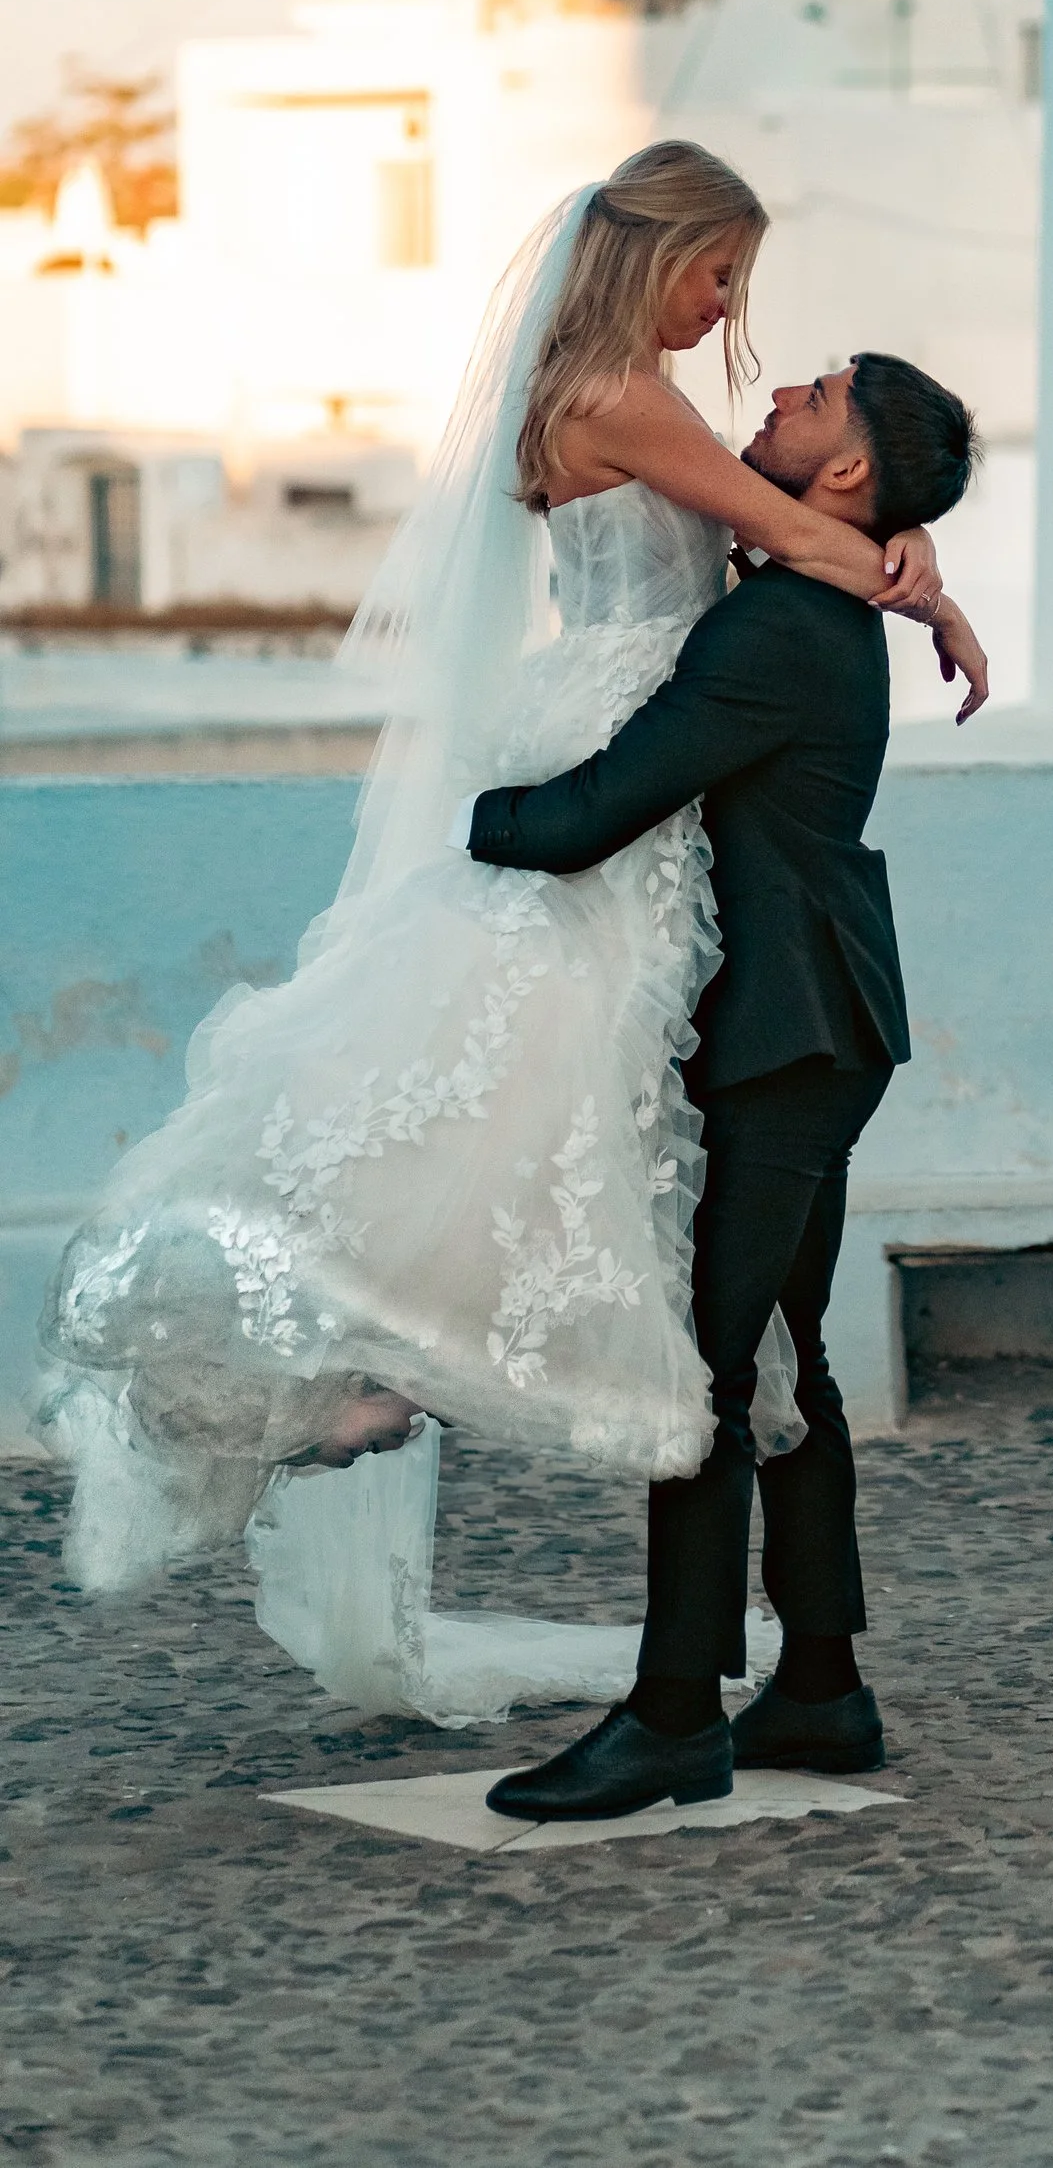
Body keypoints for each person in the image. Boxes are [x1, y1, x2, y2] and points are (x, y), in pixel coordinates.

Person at [38, 143, 987, 1722]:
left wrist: (900, 548)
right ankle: (758, 1666)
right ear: (661, 247)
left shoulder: (663, 466)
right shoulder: (635, 408)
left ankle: (729, 1688)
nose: (731, 320)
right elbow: (794, 534)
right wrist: (915, 573)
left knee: (710, 1318)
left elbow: (787, 546)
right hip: (687, 858)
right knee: (696, 1302)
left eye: (752, 310)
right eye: (718, 276)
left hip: (744, 939)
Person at [461, 351, 975, 1821]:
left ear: (853, 467)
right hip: (819, 1022)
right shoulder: (813, 592)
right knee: (779, 1360)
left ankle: (677, 1713)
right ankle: (820, 1685)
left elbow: (598, 811)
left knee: (702, 1365)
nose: (778, 394)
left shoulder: (776, 632)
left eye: (813, 394)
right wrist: (921, 570)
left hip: (785, 1034)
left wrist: (459, 821)